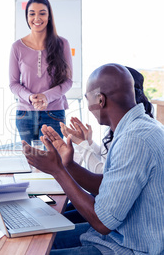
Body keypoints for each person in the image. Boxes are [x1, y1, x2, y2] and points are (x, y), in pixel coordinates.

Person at [22, 63, 164, 254]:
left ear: (100, 100)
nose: (88, 106)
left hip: (128, 247)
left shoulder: (134, 139)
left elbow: (103, 222)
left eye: (87, 98)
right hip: (117, 236)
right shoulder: (139, 127)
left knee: (31, 249)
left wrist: (57, 170)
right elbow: (108, 185)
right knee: (33, 240)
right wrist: (68, 165)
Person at [60, 66, 154, 174]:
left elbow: (103, 175)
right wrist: (88, 142)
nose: (89, 107)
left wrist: (81, 145)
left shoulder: (132, 137)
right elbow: (107, 158)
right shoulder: (124, 125)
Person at [9, 0, 73, 144]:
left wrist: (46, 97)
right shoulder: (17, 47)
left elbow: (68, 81)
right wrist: (31, 97)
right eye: (32, 13)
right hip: (25, 114)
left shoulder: (62, 44)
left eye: (42, 13)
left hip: (54, 113)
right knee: (31, 162)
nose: (37, 18)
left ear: (49, 16)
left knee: (54, 161)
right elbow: (13, 84)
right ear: (27, 17)